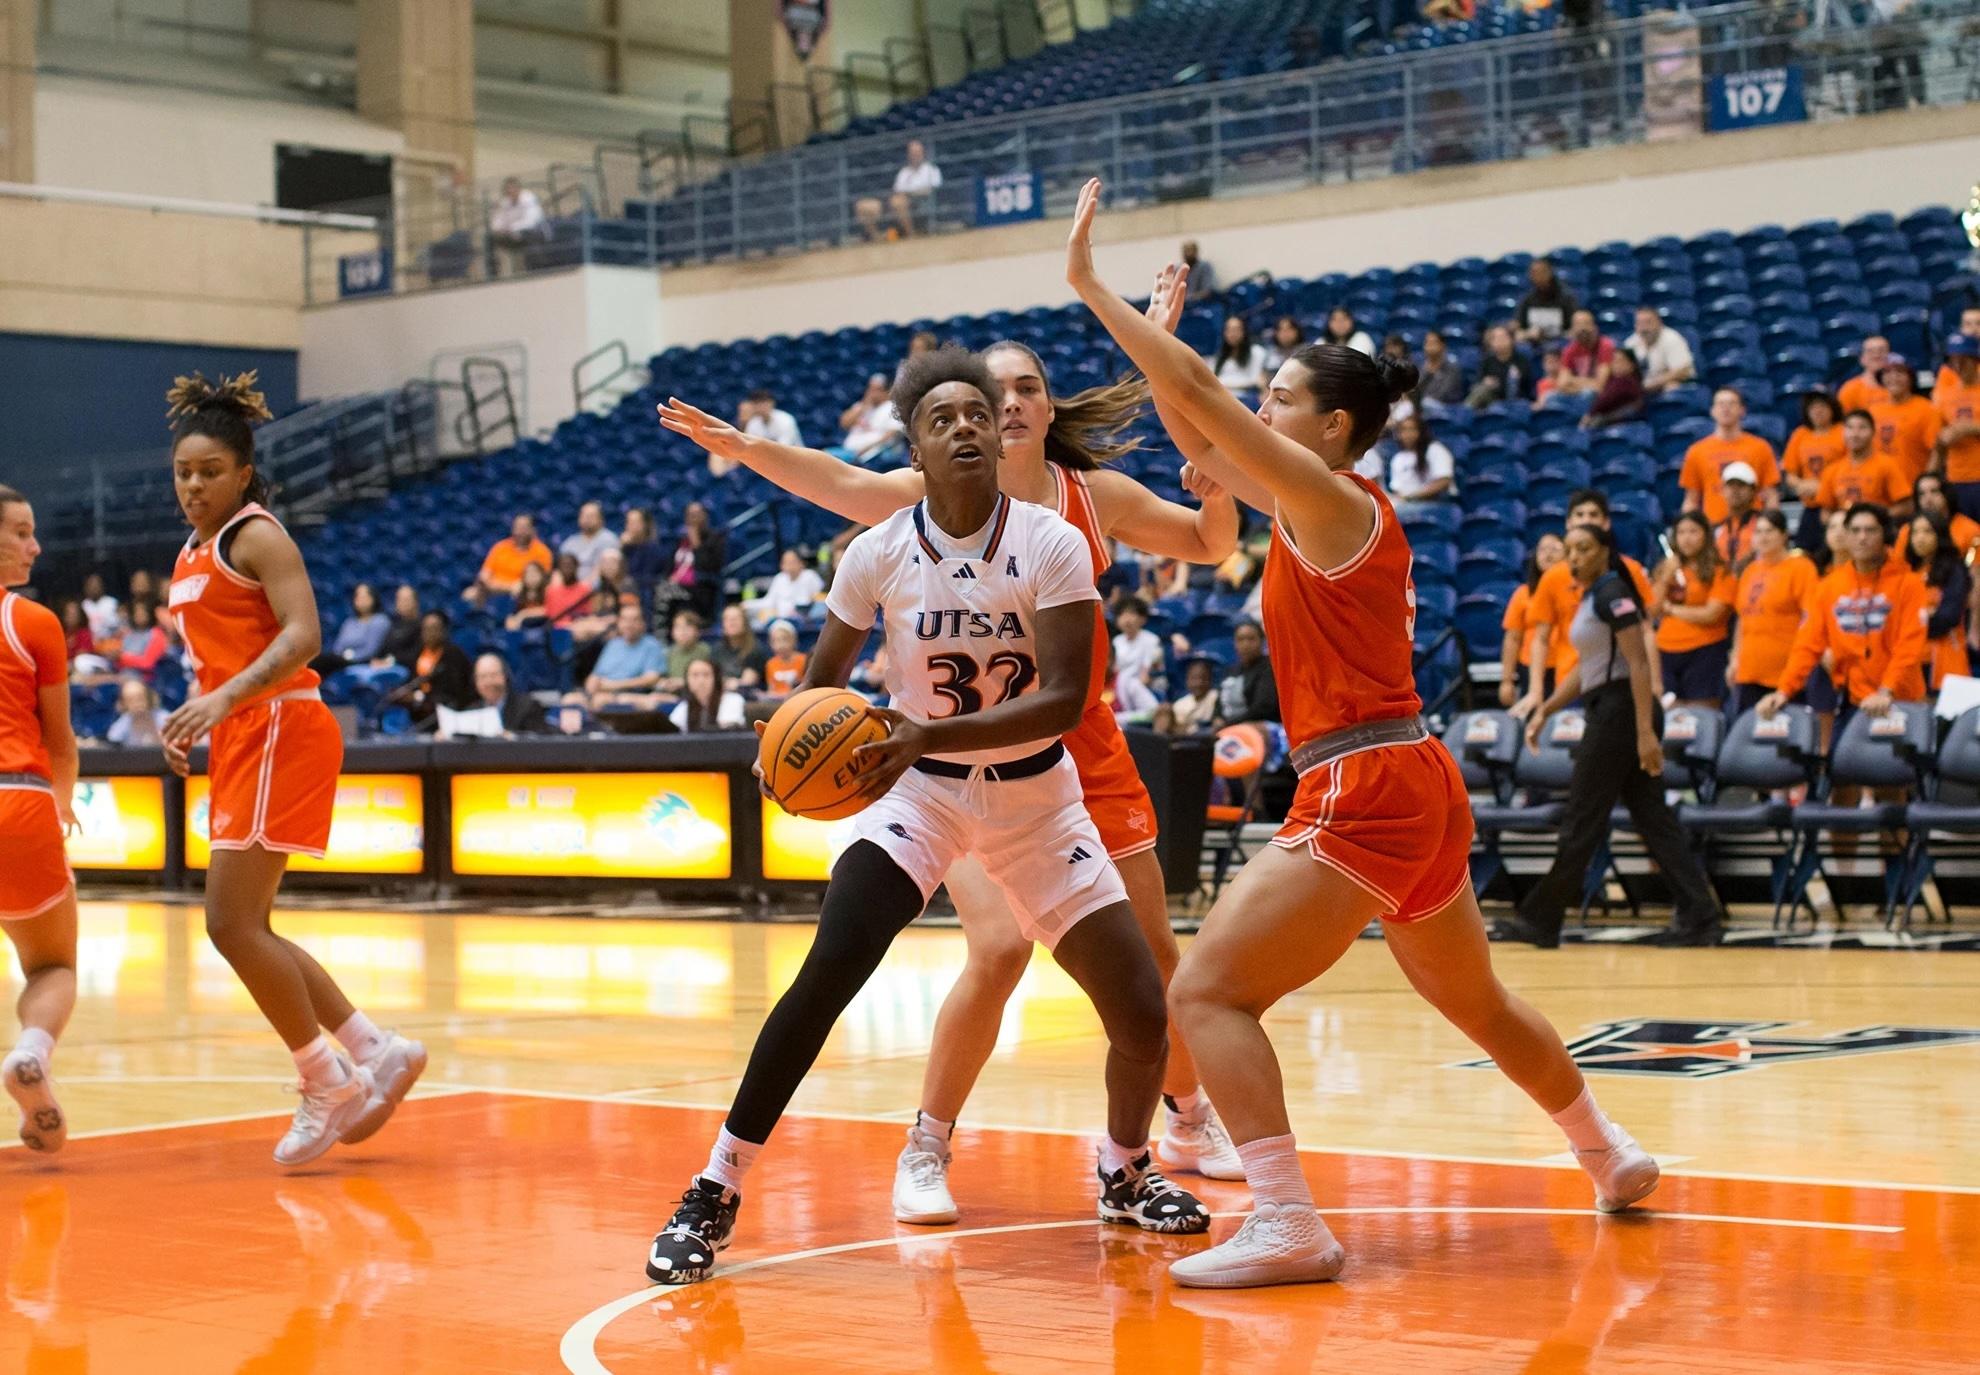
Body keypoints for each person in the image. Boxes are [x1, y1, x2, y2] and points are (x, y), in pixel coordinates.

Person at [1064, 181, 1659, 1290]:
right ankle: (1609, 1151)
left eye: (1281, 397)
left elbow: (1197, 399)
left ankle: (1288, 1217)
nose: (1266, 409)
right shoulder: (1322, 501)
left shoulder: (1335, 501)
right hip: (1415, 776)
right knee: (1475, 999)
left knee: (1203, 992)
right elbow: (1193, 419)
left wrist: (1094, 292)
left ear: (1330, 425)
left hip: (1361, 782)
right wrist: (1162, 338)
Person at [656, 307, 1248, 1216]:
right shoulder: (886, 539)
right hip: (925, 787)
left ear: (1043, 411)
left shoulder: (1064, 525)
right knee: (881, 958)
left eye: (1009, 397)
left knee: (1145, 987)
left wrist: (1211, 477)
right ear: (918, 450)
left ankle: (1143, 1152)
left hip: (1048, 772)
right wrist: (789, 755)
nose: (986, 416)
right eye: (957, 411)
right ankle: (732, 1179)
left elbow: (1064, 689)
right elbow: (820, 681)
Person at [155, 374, 423, 1165]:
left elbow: (304, 636)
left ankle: (329, 1079)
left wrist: (223, 699)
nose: (194, 484)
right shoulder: (190, 551)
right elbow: (223, 654)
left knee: (228, 922)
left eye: (209, 470)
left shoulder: (257, 534)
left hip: (280, 724)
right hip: (246, 729)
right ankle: (372, 1049)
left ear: (241, 472)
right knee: (249, 924)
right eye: (183, 472)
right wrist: (196, 716)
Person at [1509, 523, 1726, 948]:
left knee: (1582, 819)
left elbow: (1639, 663)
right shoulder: (1596, 595)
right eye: (1569, 550)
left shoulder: (1613, 594)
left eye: (1584, 549)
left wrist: (1645, 732)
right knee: (1654, 821)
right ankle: (1701, 914)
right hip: (1613, 709)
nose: (1574, 558)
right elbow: (1585, 668)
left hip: (1623, 714)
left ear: (1606, 552)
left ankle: (1541, 919)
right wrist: (1546, 709)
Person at [0, 488, 80, 1155]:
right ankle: (30, 1050)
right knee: (53, 964)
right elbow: (60, 741)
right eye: (22, 532)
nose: (36, 545)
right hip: (17, 796)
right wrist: (63, 804)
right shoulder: (34, 622)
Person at [1758, 502, 1927, 727]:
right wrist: (1784, 691)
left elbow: (1910, 646)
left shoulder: (1909, 584)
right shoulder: (1829, 587)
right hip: (1854, 700)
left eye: (1871, 530)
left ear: (1885, 535)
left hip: (1903, 699)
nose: (1862, 538)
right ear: (1846, 536)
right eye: (1855, 531)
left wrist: (1887, 690)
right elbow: (1808, 644)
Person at [1512, 490, 1659, 721]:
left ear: (1606, 522)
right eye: (1580, 515)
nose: (1587, 520)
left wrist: (1655, 684)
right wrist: (1536, 691)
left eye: (1594, 514)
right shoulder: (1554, 576)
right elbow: (1540, 640)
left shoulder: (1629, 571)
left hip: (1620, 684)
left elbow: (1647, 632)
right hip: (1570, 685)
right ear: (1569, 523)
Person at [1727, 510, 1818, 716]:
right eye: (1758, 531)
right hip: (1749, 670)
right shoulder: (1750, 571)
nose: (1763, 537)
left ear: (1784, 534)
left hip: (1786, 672)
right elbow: (1742, 618)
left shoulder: (1801, 568)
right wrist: (1735, 658)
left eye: (1770, 531)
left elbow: (1810, 619)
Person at [1651, 512, 1735, 709]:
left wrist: (1671, 609)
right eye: (1681, 532)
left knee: (1702, 714)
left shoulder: (1720, 570)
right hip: (1666, 649)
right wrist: (1664, 578)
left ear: (1706, 535)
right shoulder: (1667, 568)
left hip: (1706, 649)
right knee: (1670, 714)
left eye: (1693, 531)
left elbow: (1712, 614)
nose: (1686, 538)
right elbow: (1653, 609)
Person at [1679, 388, 1781, 526]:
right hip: (1713, 527)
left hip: (1752, 528)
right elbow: (1691, 499)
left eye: (1731, 403)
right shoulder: (1696, 451)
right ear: (1712, 411)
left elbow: (1771, 495)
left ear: (1742, 410)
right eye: (1721, 404)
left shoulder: (1760, 448)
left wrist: (1770, 527)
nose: (1726, 409)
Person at [1499, 532, 1568, 708]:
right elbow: (1512, 639)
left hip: (1567, 666)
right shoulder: (1523, 593)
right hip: (1532, 669)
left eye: (1555, 548)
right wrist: (1507, 680)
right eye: (1542, 549)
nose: (1548, 554)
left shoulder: (1574, 591)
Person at [1905, 511, 1972, 692]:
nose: (1920, 538)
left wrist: (1913, 620)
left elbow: (1947, 617)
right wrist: (1926, 614)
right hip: (1911, 662)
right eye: (1915, 532)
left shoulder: (1954, 569)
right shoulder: (1905, 572)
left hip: (1946, 660)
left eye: (1928, 531)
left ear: (1940, 535)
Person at [573, 603, 667, 711]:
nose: (628, 624)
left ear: (643, 624)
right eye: (624, 619)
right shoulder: (613, 644)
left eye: (634, 620)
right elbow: (596, 674)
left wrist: (613, 685)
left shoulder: (651, 645)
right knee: (570, 700)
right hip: (602, 692)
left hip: (631, 694)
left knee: (603, 700)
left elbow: (651, 679)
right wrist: (591, 684)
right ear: (619, 622)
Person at [1784, 390, 1846, 551]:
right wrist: (1801, 485)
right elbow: (1790, 474)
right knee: (1803, 552)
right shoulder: (1800, 434)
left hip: (1837, 505)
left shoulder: (1843, 432)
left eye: (1822, 406)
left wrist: (1824, 487)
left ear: (1832, 408)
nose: (1818, 411)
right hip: (1811, 506)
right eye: (1813, 407)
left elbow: (1852, 466)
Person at [1814, 410, 1908, 517]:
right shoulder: (1832, 469)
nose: (1855, 434)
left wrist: (1877, 519)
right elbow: (1825, 512)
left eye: (1862, 428)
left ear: (1873, 432)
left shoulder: (1887, 465)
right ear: (1843, 432)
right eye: (1850, 428)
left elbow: (1906, 506)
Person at [390, 610, 474, 729]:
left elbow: (455, 693)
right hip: (418, 713)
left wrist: (420, 697)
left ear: (443, 630)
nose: (429, 633)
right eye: (426, 628)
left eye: (434, 628)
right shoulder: (417, 653)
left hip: (447, 715)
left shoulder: (453, 655)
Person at [1870, 356, 1940, 489]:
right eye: (1887, 373)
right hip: (1879, 489)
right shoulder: (1873, 411)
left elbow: (1936, 452)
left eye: (1900, 372)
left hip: (1912, 486)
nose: (1893, 378)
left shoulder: (1926, 409)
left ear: (1911, 378)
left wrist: (1925, 486)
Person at [855, 139, 941, 241]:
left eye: (917, 152)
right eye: (912, 153)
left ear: (923, 153)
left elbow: (933, 189)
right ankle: (876, 238)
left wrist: (910, 194)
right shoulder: (904, 172)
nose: (915, 155)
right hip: (896, 200)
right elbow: (897, 190)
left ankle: (911, 235)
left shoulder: (931, 169)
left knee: (898, 202)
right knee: (862, 206)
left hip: (920, 201)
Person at [1934, 333, 1980, 516]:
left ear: (1975, 360)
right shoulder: (1945, 395)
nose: (1958, 366)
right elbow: (1938, 441)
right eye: (1954, 361)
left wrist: (1971, 428)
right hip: (1956, 478)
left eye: (1964, 360)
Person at [313, 583, 390, 679]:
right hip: (341, 659)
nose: (360, 600)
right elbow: (338, 646)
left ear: (373, 598)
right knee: (320, 660)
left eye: (364, 596)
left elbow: (371, 650)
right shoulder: (350, 622)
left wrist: (350, 657)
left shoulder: (380, 620)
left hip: (363, 660)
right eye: (358, 596)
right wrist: (342, 656)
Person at [669, 502, 727, 623]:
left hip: (703, 585)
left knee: (666, 593)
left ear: (705, 516)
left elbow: (709, 566)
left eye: (697, 514)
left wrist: (696, 544)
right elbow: (670, 565)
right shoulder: (681, 540)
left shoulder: (715, 538)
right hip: (678, 585)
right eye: (690, 515)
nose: (693, 519)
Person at [1214, 620, 1279, 726]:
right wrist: (1216, 718)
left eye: (1251, 639)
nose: (1245, 644)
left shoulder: (1269, 668)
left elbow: (1262, 709)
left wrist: (1228, 724)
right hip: (1229, 726)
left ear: (1262, 641)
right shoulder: (1231, 670)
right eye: (1240, 639)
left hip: (1260, 725)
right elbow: (1218, 704)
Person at [467, 652, 548, 735]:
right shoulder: (471, 712)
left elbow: (538, 741)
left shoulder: (528, 707)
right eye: (482, 677)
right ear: (475, 682)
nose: (488, 682)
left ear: (505, 676)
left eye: (493, 675)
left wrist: (511, 737)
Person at [833, 374, 907, 462]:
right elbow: (843, 423)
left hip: (874, 454)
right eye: (870, 389)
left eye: (876, 390)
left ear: (887, 391)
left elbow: (891, 435)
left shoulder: (892, 407)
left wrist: (865, 449)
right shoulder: (862, 406)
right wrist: (863, 407)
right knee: (821, 457)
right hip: (849, 451)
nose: (871, 393)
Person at [474, 513, 552, 597]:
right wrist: (506, 586)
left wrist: (516, 586)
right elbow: (484, 575)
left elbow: (542, 581)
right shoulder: (500, 547)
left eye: (524, 527)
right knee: (471, 593)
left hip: (522, 592)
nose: (520, 531)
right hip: (494, 590)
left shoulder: (543, 552)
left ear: (533, 530)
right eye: (517, 527)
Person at [1624, 305, 1695, 394]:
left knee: (1672, 387)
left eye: (1648, 322)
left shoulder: (1672, 338)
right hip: (1642, 391)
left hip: (1669, 386)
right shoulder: (1630, 343)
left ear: (1659, 323)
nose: (1644, 328)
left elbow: (1683, 371)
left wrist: (1650, 385)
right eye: (1640, 323)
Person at [1384, 414, 1455, 502]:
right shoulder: (1398, 458)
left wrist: (1413, 496)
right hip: (1407, 504)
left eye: (1412, 429)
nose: (1407, 434)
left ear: (1421, 431)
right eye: (1403, 430)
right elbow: (1397, 490)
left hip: (1435, 503)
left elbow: (1444, 481)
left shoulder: (1435, 449)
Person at [1911, 474, 1980, 560]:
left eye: (1934, 491)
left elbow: (1974, 569)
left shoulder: (1971, 531)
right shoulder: (1908, 530)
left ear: (1947, 494)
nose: (1928, 499)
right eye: (1921, 494)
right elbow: (1898, 566)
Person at [750, 548, 825, 628]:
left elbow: (819, 599)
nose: (789, 565)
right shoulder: (779, 578)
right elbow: (768, 601)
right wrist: (747, 604)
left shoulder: (810, 576)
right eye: (786, 562)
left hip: (805, 621)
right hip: (780, 622)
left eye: (792, 561)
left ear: (801, 563)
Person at [669, 657, 746, 733]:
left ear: (716, 679)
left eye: (706, 675)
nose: (701, 680)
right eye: (695, 675)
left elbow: (728, 732)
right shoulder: (684, 707)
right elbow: (671, 733)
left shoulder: (732, 700)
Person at [488, 177, 546, 277]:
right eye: (508, 189)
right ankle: (492, 274)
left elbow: (530, 221)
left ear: (518, 189)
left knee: (529, 235)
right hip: (512, 234)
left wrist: (511, 228)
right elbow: (497, 221)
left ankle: (536, 270)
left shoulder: (529, 198)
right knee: (489, 238)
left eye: (513, 188)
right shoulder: (504, 202)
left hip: (533, 232)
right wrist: (498, 229)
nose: (510, 191)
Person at [1713, 461, 1764, 571]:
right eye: (1731, 485)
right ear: (1723, 490)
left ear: (1753, 490)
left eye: (1741, 485)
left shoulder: (1764, 524)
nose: (1735, 491)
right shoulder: (1717, 529)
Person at [1468, 324, 1534, 407]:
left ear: (1511, 340)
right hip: (1492, 400)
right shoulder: (1487, 361)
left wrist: (1502, 383)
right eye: (1496, 338)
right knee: (1481, 390)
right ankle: (1465, 412)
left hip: (1517, 401)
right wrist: (1485, 382)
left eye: (1503, 337)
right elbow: (1477, 383)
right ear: (1491, 343)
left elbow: (1527, 387)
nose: (1500, 341)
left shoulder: (1521, 360)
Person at [1516, 258, 1579, 343]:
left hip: (1560, 343)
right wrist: (1527, 334)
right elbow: (1520, 328)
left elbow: (1574, 327)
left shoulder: (1566, 297)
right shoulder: (1527, 299)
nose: (1537, 277)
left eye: (1541, 272)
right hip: (1534, 344)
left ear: (1550, 272)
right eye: (1533, 273)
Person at [1581, 347, 1645, 429]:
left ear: (1632, 365)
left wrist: (1590, 414)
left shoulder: (1627, 381)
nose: (1616, 365)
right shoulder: (1614, 380)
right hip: (1612, 422)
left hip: (1623, 424)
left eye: (1620, 361)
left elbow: (1606, 399)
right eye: (1614, 361)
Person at [559, 502, 621, 584]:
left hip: (600, 589)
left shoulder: (609, 540)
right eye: (584, 516)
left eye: (591, 516)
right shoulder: (569, 543)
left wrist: (584, 588)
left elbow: (606, 570)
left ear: (601, 519)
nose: (587, 519)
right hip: (572, 588)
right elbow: (560, 570)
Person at [1555, 310, 1614, 395]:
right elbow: (1561, 384)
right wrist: (1586, 384)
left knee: (1587, 394)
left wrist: (1571, 380)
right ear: (1572, 329)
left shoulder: (1605, 346)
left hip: (1602, 397)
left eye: (1586, 324)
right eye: (1578, 324)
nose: (1582, 328)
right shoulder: (1569, 350)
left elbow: (1601, 385)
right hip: (1577, 393)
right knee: (1551, 397)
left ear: (1594, 327)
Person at [659, 608, 714, 699]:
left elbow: (709, 680)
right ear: (672, 632)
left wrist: (683, 682)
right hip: (672, 695)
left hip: (697, 695)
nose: (682, 632)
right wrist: (665, 683)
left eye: (687, 627)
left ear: (697, 631)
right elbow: (662, 678)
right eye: (678, 627)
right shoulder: (669, 653)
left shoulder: (705, 651)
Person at [1111, 597, 1165, 690]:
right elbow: (1114, 669)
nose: (1127, 619)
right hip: (1121, 688)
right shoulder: (1116, 641)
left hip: (1146, 688)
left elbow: (1146, 674)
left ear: (1143, 619)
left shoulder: (1151, 640)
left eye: (1131, 614)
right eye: (1122, 614)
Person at [712, 604, 768, 691]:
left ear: (745, 623)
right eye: (727, 619)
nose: (732, 622)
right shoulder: (717, 650)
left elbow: (747, 683)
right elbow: (713, 679)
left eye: (736, 618)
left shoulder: (755, 648)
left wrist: (729, 682)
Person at [1209, 316, 1269, 393]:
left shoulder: (1257, 352)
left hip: (1248, 397)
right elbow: (1212, 381)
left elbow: (1256, 381)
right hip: (1223, 397)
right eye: (1229, 330)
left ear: (1244, 331)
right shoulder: (1219, 356)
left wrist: (1223, 383)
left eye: (1236, 330)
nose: (1232, 334)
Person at [115, 599, 170, 681]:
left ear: (150, 614)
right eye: (137, 612)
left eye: (143, 613)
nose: (139, 615)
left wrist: (122, 658)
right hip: (123, 675)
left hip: (145, 679)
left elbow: (148, 663)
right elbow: (119, 664)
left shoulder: (157, 634)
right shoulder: (128, 635)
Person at [1837, 335, 1893, 415]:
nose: (1876, 355)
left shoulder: (1901, 387)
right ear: (1862, 359)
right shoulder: (1850, 390)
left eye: (1881, 351)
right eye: (1871, 351)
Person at [620, 507, 666, 601]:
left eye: (635, 522)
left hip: (645, 592)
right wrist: (620, 547)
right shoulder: (625, 547)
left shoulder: (653, 549)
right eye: (628, 522)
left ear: (645, 525)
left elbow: (648, 577)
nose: (630, 526)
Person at [106, 677, 168, 746]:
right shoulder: (123, 723)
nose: (137, 703)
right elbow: (112, 741)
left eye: (140, 697)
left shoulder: (164, 718)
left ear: (147, 697)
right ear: (124, 704)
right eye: (131, 700)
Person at [1415, 328, 1466, 407]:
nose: (1429, 347)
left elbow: (1444, 394)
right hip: (1423, 405)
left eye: (1433, 343)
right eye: (1427, 343)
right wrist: (1427, 371)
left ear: (1442, 346)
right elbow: (1415, 390)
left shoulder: (1452, 368)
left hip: (1447, 407)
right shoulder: (1421, 367)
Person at [376, 584, 422, 669]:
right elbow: (384, 648)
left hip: (407, 671)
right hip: (387, 669)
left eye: (406, 600)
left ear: (416, 602)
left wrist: (391, 661)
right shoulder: (394, 623)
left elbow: (416, 655)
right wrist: (377, 659)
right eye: (399, 599)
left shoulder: (421, 625)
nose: (402, 603)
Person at [737, 389, 803, 448]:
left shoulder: (786, 419)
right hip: (765, 459)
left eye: (764, 402)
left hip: (794, 458)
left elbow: (784, 448)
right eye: (757, 403)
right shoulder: (753, 423)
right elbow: (749, 447)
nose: (761, 406)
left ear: (772, 403)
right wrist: (744, 421)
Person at [760, 619, 807, 700]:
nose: (781, 645)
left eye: (784, 639)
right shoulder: (770, 663)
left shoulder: (804, 660)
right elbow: (771, 689)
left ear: (794, 640)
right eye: (776, 641)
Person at [1170, 658, 1220, 734]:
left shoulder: (1217, 698)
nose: (1198, 683)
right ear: (1187, 681)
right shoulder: (1180, 704)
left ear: (1210, 679)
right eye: (1194, 679)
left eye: (1203, 678)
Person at [504, 560, 552, 630]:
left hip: (543, 628)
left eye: (535, 572)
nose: (532, 576)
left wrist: (524, 614)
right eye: (528, 573)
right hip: (523, 630)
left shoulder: (548, 592)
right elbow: (510, 616)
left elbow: (548, 610)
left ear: (542, 575)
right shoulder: (518, 594)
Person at [79, 572, 120, 645]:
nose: (94, 587)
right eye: (91, 585)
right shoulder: (83, 605)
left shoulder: (112, 603)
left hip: (109, 643)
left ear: (102, 586)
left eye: (96, 584)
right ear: (86, 587)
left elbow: (119, 627)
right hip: (89, 644)